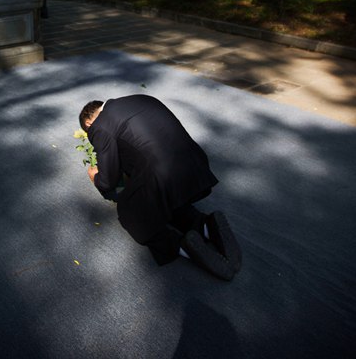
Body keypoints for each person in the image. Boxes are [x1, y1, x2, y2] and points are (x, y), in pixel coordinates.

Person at [79, 95, 242, 280]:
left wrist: (96, 178)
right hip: (194, 165)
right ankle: (206, 225)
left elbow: (109, 180)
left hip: (163, 176)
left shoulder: (100, 126)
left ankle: (182, 246)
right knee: (163, 200)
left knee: (130, 212)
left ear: (88, 122)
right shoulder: (141, 98)